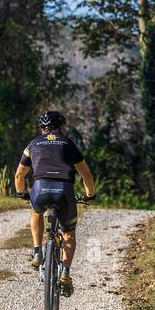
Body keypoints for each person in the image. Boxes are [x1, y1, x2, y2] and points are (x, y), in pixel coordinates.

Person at [14, 110, 96, 297]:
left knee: (36, 212)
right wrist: (90, 195)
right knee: (68, 234)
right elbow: (86, 174)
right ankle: (65, 272)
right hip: (64, 191)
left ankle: (37, 251)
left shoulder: (33, 144)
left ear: (41, 128)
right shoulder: (68, 144)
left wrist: (21, 193)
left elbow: (19, 174)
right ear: (61, 128)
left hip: (40, 189)